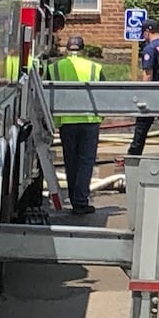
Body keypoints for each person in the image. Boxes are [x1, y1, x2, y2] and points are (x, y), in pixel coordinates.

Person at [47, 34, 103, 216]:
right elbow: (105, 92)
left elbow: (48, 91)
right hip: (89, 121)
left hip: (66, 122)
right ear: (83, 48)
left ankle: (74, 199)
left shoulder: (55, 67)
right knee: (86, 162)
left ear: (67, 49)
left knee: (70, 162)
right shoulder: (94, 67)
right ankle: (80, 201)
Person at [126, 18, 159, 158]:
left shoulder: (149, 49)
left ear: (147, 32)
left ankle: (133, 156)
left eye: (143, 33)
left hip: (154, 92)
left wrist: (144, 93)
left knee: (141, 126)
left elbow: (148, 74)